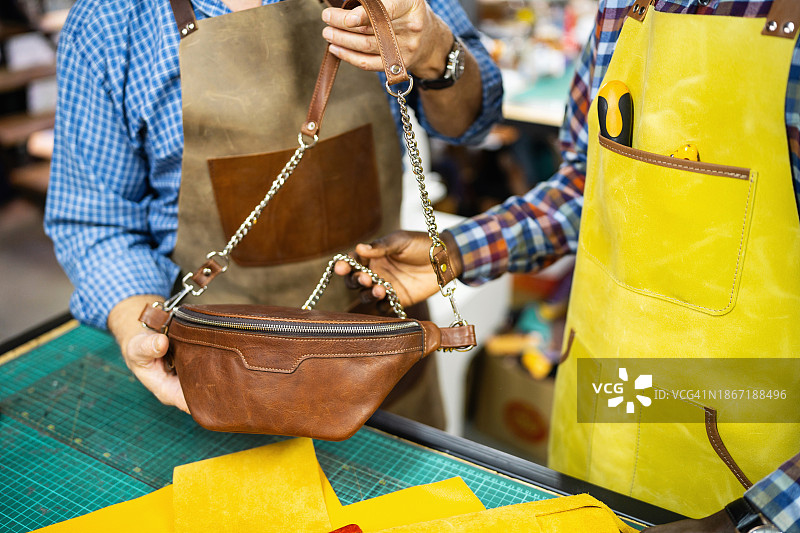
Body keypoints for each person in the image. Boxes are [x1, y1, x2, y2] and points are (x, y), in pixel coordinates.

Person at [336, 0, 800, 531]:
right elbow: (589, 184)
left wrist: (743, 521)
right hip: (610, 404)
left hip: (748, 460)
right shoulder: (622, 10)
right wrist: (458, 250)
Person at [44, 0, 502, 425]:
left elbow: (474, 121)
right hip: (206, 382)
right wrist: (140, 332)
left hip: (380, 368)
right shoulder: (111, 23)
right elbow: (97, 221)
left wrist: (434, 50)